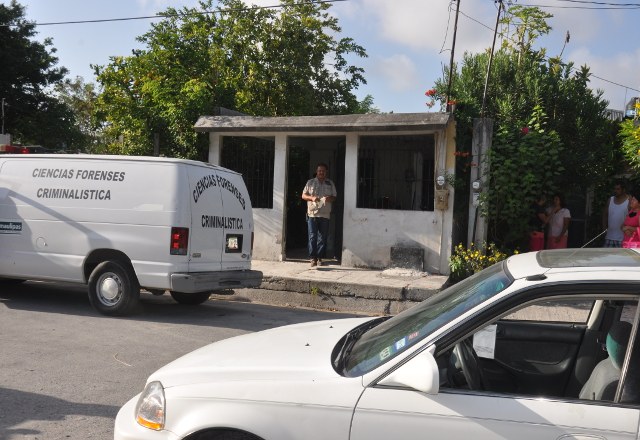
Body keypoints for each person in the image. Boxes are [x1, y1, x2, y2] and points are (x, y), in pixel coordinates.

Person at [302, 163, 337, 267]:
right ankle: (312, 258)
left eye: (323, 171)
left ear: (326, 172)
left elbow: (334, 197)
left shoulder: (330, 183)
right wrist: (312, 198)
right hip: (312, 214)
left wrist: (328, 198)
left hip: (325, 214)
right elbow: (303, 195)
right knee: (312, 236)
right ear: (316, 172)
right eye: (319, 171)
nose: (321, 172)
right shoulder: (310, 182)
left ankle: (320, 257)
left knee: (322, 237)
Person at [602, 182, 629, 248]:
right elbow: (605, 214)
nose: (615, 191)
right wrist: (604, 228)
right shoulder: (610, 200)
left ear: (624, 190)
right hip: (610, 236)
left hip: (623, 237)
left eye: (618, 189)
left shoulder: (629, 200)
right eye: (614, 189)